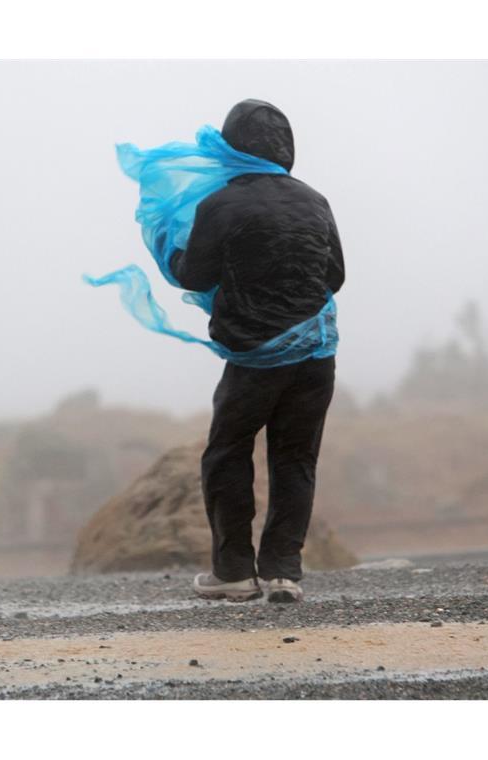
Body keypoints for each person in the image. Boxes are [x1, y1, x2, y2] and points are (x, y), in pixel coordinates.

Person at [171, 100, 345, 604]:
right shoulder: (315, 201)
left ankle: (233, 572)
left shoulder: (220, 205)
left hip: (254, 359)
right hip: (316, 355)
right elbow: (336, 276)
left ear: (230, 146)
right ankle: (283, 571)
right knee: (295, 459)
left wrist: (172, 246)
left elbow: (194, 275)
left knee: (227, 453)